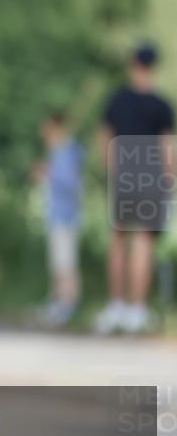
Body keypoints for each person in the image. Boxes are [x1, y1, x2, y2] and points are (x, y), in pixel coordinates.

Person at [96, 43, 175, 334]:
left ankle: (116, 305)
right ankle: (136, 310)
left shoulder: (117, 100)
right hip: (151, 177)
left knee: (118, 240)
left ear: (133, 64)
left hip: (124, 175)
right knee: (143, 241)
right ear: (153, 66)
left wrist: (109, 174)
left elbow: (105, 139)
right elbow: (168, 148)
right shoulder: (162, 105)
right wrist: (171, 180)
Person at [33, 111, 84, 327]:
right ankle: (56, 303)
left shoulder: (67, 152)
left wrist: (47, 173)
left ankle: (68, 305)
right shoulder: (59, 152)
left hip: (66, 217)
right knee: (57, 262)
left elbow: (71, 185)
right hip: (57, 216)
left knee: (66, 263)